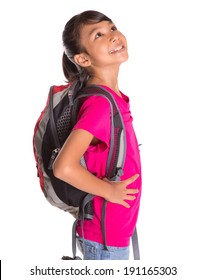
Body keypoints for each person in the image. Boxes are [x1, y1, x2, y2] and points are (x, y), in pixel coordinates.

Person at [53, 10, 142, 260]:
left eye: (112, 28)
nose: (113, 36)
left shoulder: (110, 98)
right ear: (82, 59)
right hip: (104, 240)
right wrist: (111, 192)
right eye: (99, 35)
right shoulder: (100, 105)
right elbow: (64, 167)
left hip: (109, 235)